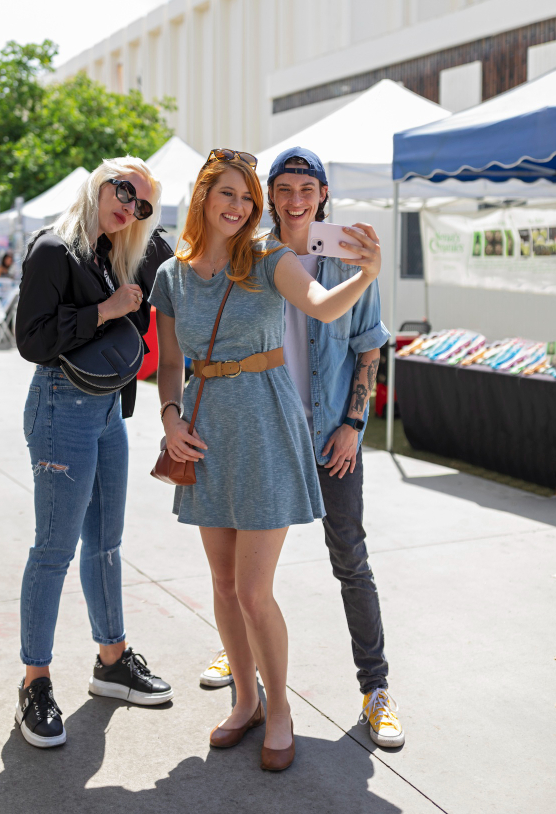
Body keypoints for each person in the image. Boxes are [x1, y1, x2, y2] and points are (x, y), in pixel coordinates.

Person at [150, 150, 381, 771]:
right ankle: (245, 700)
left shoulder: (268, 259)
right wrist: (170, 419)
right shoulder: (171, 276)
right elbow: (169, 363)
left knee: (255, 591)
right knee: (223, 587)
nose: (239, 206)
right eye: (229, 194)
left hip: (268, 423)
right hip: (203, 429)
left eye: (247, 198)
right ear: (203, 197)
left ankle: (280, 708)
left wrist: (366, 275)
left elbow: (326, 307)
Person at [14, 157, 174, 749]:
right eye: (124, 190)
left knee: (106, 543)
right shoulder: (55, 248)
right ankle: (35, 681)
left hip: (108, 410)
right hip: (60, 404)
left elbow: (188, 261)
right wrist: (105, 310)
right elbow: (30, 338)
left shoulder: (119, 251)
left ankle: (111, 660)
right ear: (100, 181)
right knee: (54, 549)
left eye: (142, 204)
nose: (129, 206)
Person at [266, 147, 403, 748]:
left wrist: (353, 423)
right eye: (285, 188)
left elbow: (369, 347)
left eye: (307, 188)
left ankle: (376, 689)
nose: (297, 199)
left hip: (330, 438)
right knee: (250, 568)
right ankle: (241, 662)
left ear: (322, 194)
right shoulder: (253, 257)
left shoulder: (351, 258)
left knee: (350, 559)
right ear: (270, 194)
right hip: (269, 433)